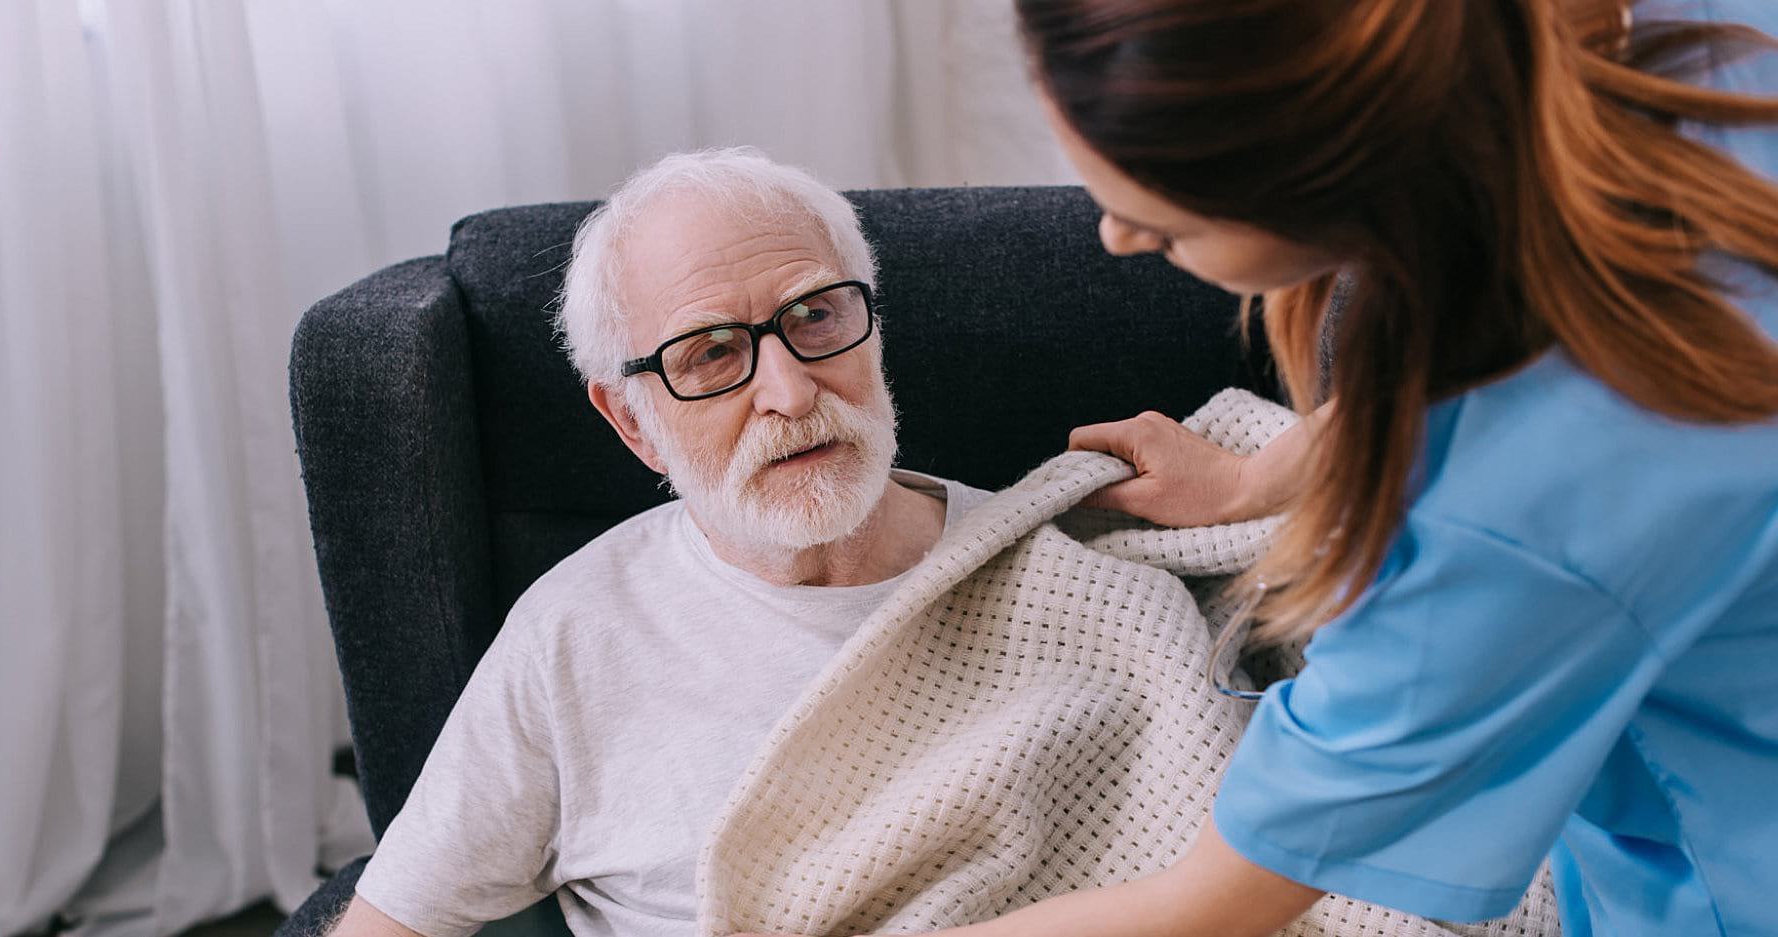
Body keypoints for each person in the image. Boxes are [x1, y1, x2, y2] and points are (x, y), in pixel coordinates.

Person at [739, 0, 1778, 935]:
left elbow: (1205, 904)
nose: (1114, 234)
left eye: (1170, 220)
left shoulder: (1488, 545)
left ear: (1332, 178)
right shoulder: (1678, 50)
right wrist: (1259, 479)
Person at [322, 148, 988, 937]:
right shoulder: (572, 636)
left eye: (816, 316)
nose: (790, 391)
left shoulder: (1056, 566)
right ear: (633, 422)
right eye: (710, 353)